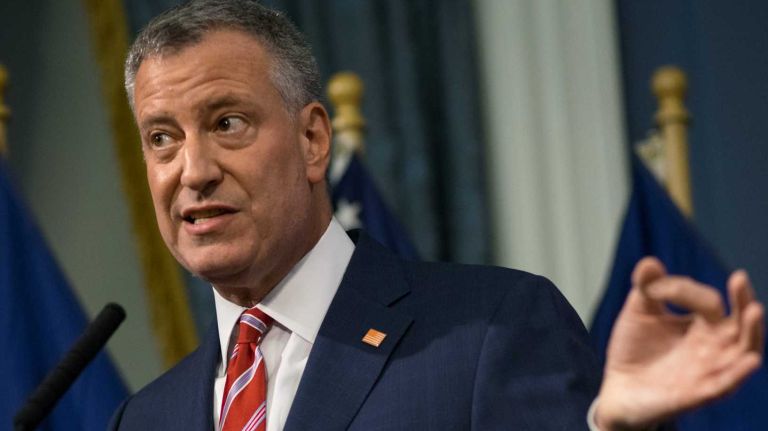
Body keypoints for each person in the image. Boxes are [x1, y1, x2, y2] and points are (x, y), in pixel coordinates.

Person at [109, 1, 765, 430]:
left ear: (312, 140)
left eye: (227, 123)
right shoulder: (144, 418)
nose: (193, 170)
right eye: (162, 137)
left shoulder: (490, 332)